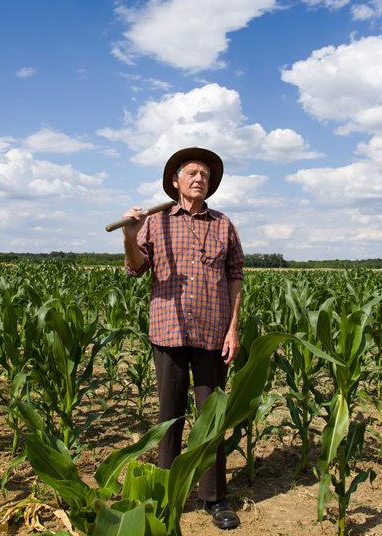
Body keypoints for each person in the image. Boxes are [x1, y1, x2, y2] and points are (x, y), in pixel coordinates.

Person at [121, 147, 244, 530]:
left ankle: (215, 497)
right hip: (168, 330)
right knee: (169, 418)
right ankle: (166, 491)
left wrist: (234, 327)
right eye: (191, 172)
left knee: (211, 419)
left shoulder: (223, 224)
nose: (199, 179)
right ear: (175, 181)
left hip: (212, 332)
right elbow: (136, 267)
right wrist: (130, 235)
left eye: (205, 175)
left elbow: (235, 275)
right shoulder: (155, 222)